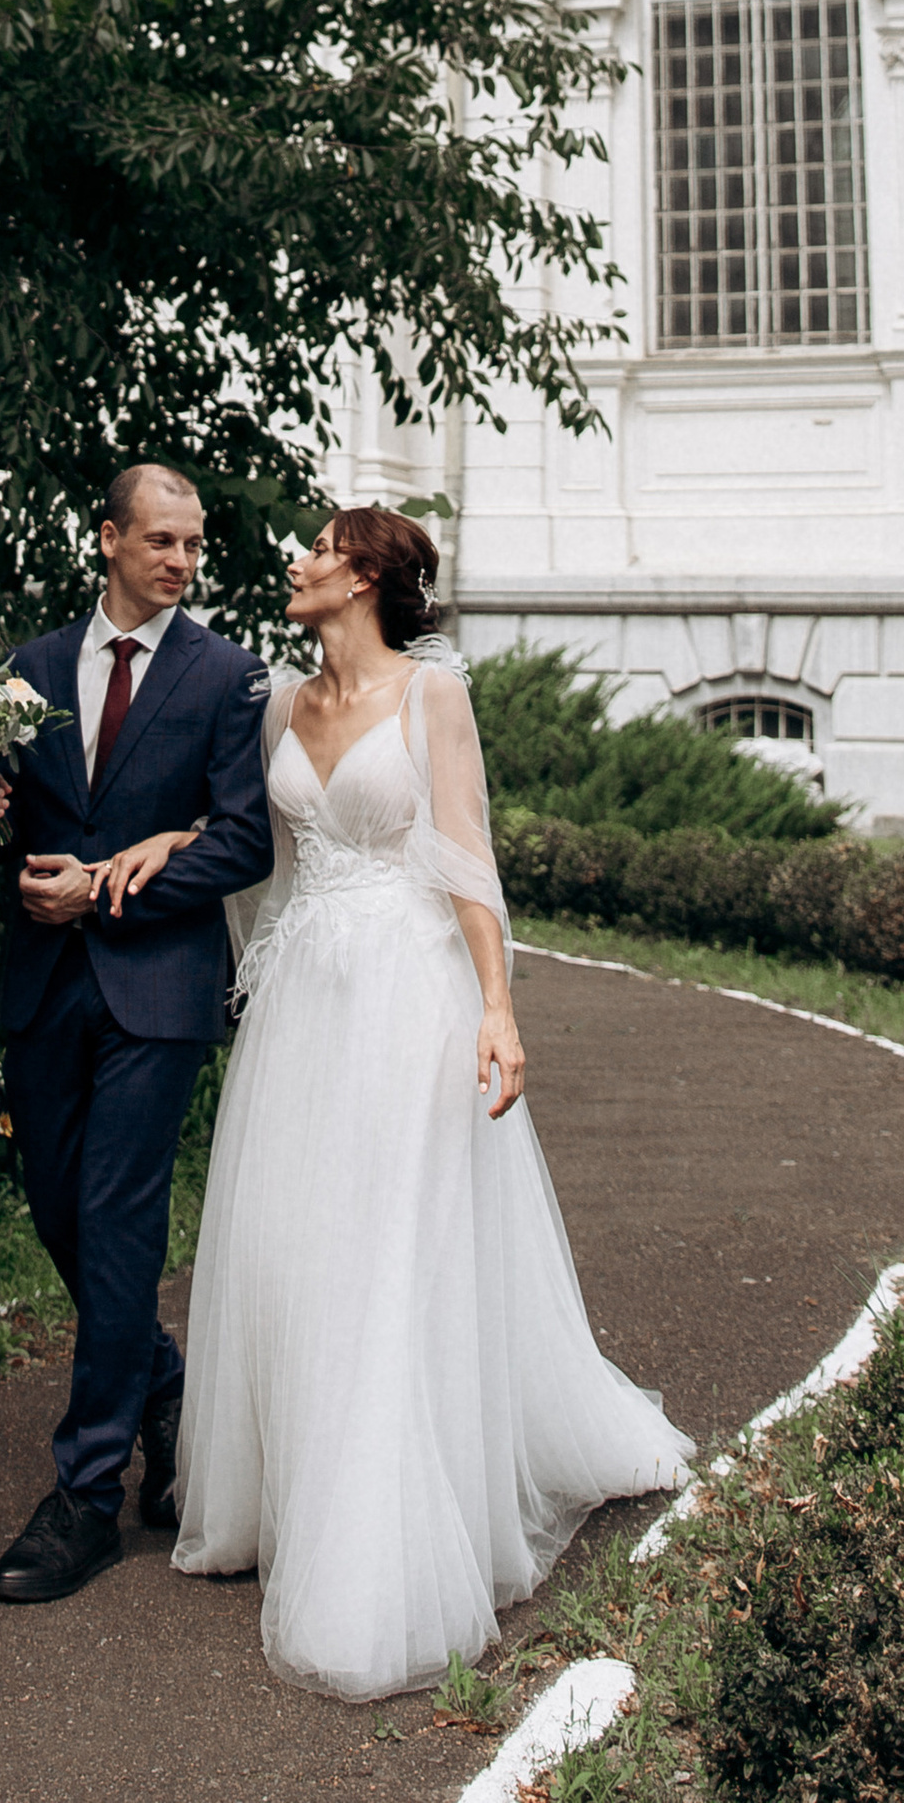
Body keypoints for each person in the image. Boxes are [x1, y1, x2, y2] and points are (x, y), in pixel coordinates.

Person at [98, 505, 689, 1702]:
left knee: (384, 1251)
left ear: (363, 577)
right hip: (305, 1004)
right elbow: (246, 837)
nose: (296, 564)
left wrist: (497, 1009)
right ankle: (279, 1499)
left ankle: (380, 1540)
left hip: (408, 999)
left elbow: (465, 855)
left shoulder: (432, 699)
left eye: (317, 549)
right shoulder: (280, 701)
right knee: (291, 1248)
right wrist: (169, 838)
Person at [0, 460, 273, 1606]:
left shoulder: (229, 678)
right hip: (46, 983)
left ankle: (85, 1496)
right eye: (162, 542)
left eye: (193, 546)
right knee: (55, 1206)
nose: (182, 563)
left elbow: (244, 843)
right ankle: (165, 1389)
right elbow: (1, 827)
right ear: (106, 540)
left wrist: (109, 890)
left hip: (160, 988)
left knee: (117, 1209)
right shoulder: (27, 671)